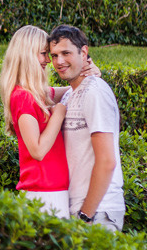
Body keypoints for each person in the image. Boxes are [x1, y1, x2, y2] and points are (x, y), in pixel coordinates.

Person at [48, 25, 125, 232]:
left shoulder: (95, 92)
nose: (59, 61)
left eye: (66, 53)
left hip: (98, 212)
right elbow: (33, 92)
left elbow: (107, 162)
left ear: (84, 52)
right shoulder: (69, 95)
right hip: (78, 211)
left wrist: (85, 215)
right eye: (54, 55)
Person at [0, 26, 74, 218]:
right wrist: (58, 114)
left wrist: (88, 73)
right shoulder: (22, 97)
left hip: (53, 192)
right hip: (43, 196)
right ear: (28, 55)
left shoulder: (37, 94)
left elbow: (68, 89)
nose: (48, 60)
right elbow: (37, 151)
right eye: (43, 54)